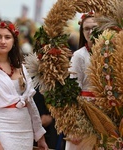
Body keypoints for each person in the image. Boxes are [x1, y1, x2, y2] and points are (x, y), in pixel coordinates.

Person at [0, 20, 48, 150]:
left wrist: (40, 136)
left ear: (13, 41)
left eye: (7, 37)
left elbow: (30, 104)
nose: (3, 41)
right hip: (2, 129)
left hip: (25, 129)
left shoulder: (22, 68)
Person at [65, 12, 98, 150]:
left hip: (106, 117)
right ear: (82, 31)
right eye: (86, 28)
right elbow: (72, 93)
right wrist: (73, 125)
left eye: (94, 28)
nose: (90, 32)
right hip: (83, 116)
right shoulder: (79, 55)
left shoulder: (111, 53)